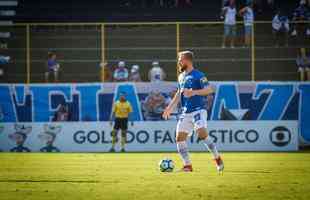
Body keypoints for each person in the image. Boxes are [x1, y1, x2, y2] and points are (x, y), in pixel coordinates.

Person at [162, 51, 224, 172]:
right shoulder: (181, 76)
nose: (179, 62)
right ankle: (187, 166)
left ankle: (217, 158)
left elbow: (209, 90)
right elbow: (179, 94)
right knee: (179, 137)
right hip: (185, 112)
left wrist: (194, 92)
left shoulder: (198, 75)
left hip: (198, 110)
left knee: (201, 133)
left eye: (180, 59)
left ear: (187, 60)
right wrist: (170, 107)